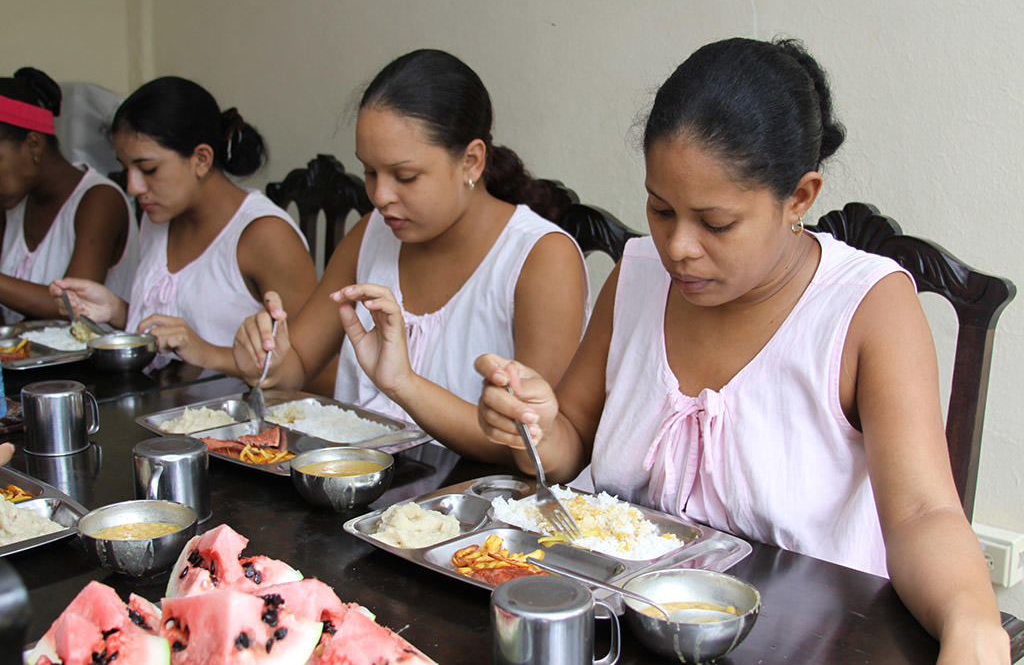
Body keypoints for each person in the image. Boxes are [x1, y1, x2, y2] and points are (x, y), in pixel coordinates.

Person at [476, 38, 1008, 663]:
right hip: (626, 632)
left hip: (808, 641)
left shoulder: (868, 309)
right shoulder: (639, 275)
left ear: (800, 198)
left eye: (716, 223)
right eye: (660, 209)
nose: (678, 246)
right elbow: (569, 447)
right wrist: (533, 422)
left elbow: (922, 512)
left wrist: (974, 625)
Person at [234, 49, 589, 462]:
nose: (380, 196)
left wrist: (405, 384)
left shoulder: (540, 257)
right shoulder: (370, 235)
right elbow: (296, 365)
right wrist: (268, 358)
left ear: (471, 161)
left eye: (405, 176)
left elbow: (529, 446)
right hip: (358, 492)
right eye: (369, 172)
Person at [52, 77, 315, 374]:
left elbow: (311, 366)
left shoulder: (265, 235)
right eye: (125, 169)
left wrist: (206, 353)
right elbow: (179, 331)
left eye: (148, 169)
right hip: (162, 408)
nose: (133, 187)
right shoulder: (158, 217)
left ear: (201, 159)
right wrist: (116, 310)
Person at [0, 67, 137, 323]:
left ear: (33, 145)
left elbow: (74, 305)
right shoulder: (10, 205)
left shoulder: (99, 200)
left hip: (95, 362)